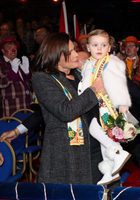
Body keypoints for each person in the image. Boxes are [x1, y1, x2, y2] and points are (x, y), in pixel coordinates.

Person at [30, 32, 105, 184]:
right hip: (68, 154)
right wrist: (94, 90)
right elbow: (65, 111)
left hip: (96, 147)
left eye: (75, 50)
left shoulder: (80, 75)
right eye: (71, 51)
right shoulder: (42, 78)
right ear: (57, 55)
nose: (77, 54)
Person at [78, 29, 139, 185]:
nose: (99, 48)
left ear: (109, 48)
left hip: (107, 105)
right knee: (103, 141)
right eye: (95, 45)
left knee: (95, 129)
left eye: (103, 45)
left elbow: (120, 84)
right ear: (88, 47)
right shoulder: (88, 64)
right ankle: (109, 171)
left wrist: (123, 105)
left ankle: (117, 151)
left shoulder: (111, 62)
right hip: (93, 104)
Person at [0, 35, 32, 117]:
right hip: (12, 108)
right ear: (3, 50)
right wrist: (13, 72)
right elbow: (2, 83)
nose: (13, 50)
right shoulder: (1, 64)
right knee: (12, 129)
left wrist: (27, 73)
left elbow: (26, 84)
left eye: (15, 47)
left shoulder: (18, 63)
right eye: (9, 47)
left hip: (26, 105)